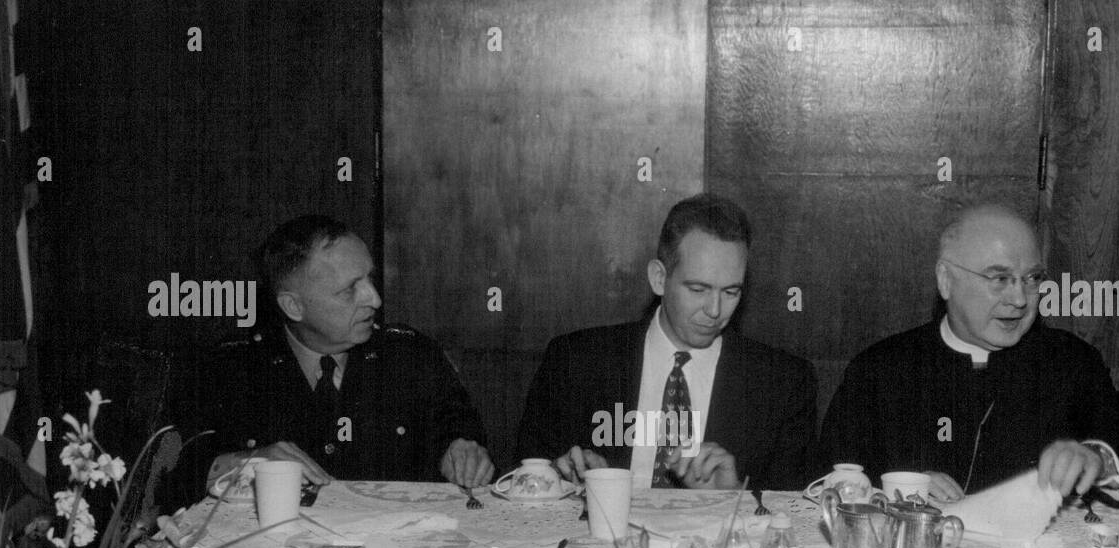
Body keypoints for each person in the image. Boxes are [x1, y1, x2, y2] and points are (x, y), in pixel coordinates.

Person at [820, 204, 1119, 505]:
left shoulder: (1069, 362)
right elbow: (829, 478)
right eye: (999, 278)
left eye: (1032, 278)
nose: (1020, 299)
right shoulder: (881, 369)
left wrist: (1096, 458)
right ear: (946, 280)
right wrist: (900, 486)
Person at [516, 194, 817, 491]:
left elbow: (793, 512)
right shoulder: (576, 360)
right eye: (698, 289)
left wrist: (733, 495)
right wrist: (563, 479)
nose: (715, 310)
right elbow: (521, 481)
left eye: (730, 292)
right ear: (659, 278)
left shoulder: (783, 383)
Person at [185, 215, 493, 494]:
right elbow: (179, 471)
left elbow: (459, 427)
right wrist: (248, 462)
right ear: (293, 306)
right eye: (349, 290)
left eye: (370, 279)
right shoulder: (229, 369)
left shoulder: (411, 357)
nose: (374, 299)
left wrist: (462, 452)